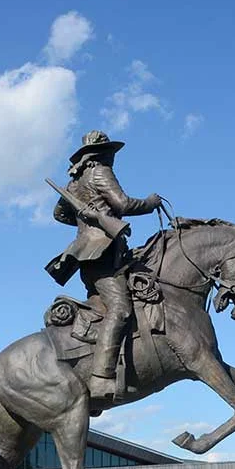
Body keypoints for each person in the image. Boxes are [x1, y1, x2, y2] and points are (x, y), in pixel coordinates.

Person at [49, 130, 161, 400]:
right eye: (110, 152)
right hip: (102, 255)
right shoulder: (100, 171)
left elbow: (59, 213)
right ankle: (100, 377)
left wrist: (85, 221)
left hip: (92, 255)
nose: (112, 157)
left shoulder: (75, 182)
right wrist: (149, 202)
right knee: (121, 310)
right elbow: (122, 203)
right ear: (102, 153)